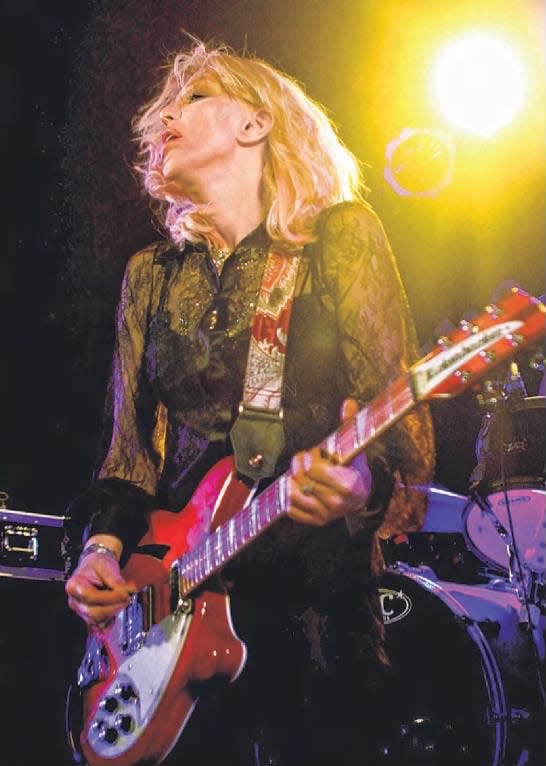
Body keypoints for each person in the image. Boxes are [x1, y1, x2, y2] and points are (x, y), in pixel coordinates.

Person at [64, 39, 435, 765]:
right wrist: (101, 550)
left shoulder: (339, 241)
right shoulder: (152, 276)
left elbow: (404, 430)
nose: (166, 115)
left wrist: (357, 486)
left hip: (309, 617)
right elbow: (132, 456)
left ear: (255, 124)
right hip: (171, 617)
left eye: (193, 98)